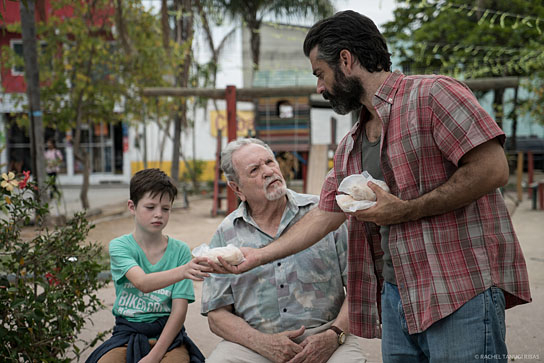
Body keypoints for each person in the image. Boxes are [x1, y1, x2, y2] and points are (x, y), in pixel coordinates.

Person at [215, 11, 532, 363]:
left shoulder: (433, 94)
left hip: (458, 290)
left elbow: (493, 168)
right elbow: (325, 213)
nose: (319, 87)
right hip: (396, 298)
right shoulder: (351, 144)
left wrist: (407, 209)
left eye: (320, 73)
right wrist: (258, 256)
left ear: (346, 61)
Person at [201, 138, 366, 363]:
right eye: (255, 170)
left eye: (270, 162)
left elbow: (360, 286)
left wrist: (333, 335)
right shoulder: (226, 233)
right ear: (237, 188)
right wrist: (262, 343)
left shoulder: (324, 215)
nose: (268, 171)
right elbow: (216, 314)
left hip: (327, 335)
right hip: (254, 345)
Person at [87, 168, 210, 363]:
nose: (158, 214)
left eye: (166, 208)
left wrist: (154, 356)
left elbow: (178, 313)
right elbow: (143, 282)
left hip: (168, 338)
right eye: (150, 207)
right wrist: (184, 271)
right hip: (127, 334)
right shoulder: (120, 246)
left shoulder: (180, 251)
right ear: (132, 206)